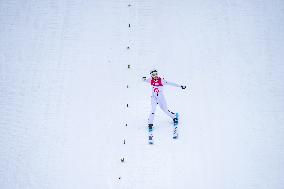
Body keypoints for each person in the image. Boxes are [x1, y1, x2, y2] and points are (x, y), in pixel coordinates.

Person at [142, 69, 186, 142]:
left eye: (156, 74)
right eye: (153, 75)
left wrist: (180, 86)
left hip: (161, 98)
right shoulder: (150, 80)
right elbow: (145, 80)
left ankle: (174, 117)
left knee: (165, 110)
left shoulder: (161, 80)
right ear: (151, 76)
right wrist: (143, 79)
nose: (155, 76)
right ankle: (150, 123)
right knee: (153, 110)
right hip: (154, 98)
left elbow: (171, 83)